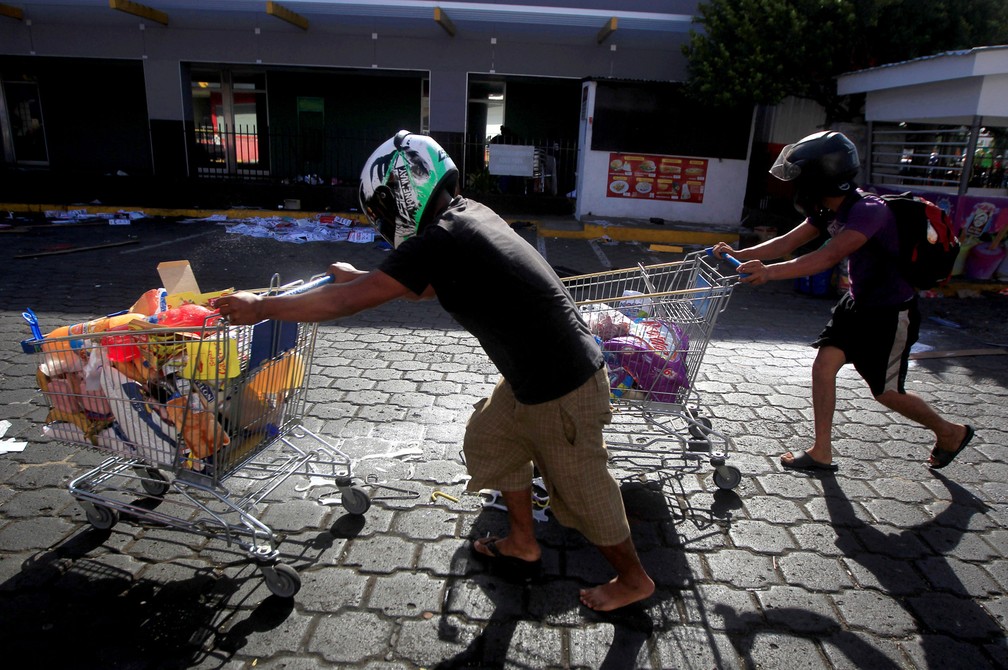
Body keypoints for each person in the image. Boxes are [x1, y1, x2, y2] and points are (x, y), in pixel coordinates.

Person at [214, 130, 654, 611]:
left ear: (402, 191)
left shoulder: (441, 236)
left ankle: (634, 580)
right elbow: (422, 288)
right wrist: (365, 279)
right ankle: (523, 544)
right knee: (490, 437)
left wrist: (263, 306)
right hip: (534, 374)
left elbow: (346, 304)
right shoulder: (464, 217)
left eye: (381, 209)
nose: (383, 221)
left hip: (562, 384)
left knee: (584, 493)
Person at [712, 130, 974, 472]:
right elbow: (786, 244)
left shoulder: (868, 211)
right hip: (856, 305)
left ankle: (950, 432)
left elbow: (827, 256)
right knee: (823, 368)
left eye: (802, 177)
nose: (797, 186)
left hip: (891, 314)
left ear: (821, 178)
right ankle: (821, 450)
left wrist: (769, 274)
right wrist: (740, 253)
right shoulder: (827, 209)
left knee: (886, 393)